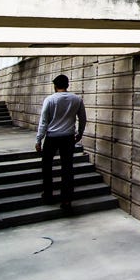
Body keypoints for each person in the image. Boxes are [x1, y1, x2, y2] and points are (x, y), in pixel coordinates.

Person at [35, 74, 87, 210]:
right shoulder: (76, 99)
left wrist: (39, 139)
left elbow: (43, 122)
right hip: (68, 137)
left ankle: (48, 195)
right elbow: (82, 118)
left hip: (52, 137)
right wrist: (80, 133)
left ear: (55, 86)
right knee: (67, 168)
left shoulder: (50, 99)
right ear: (67, 85)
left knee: (47, 166)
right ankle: (66, 200)